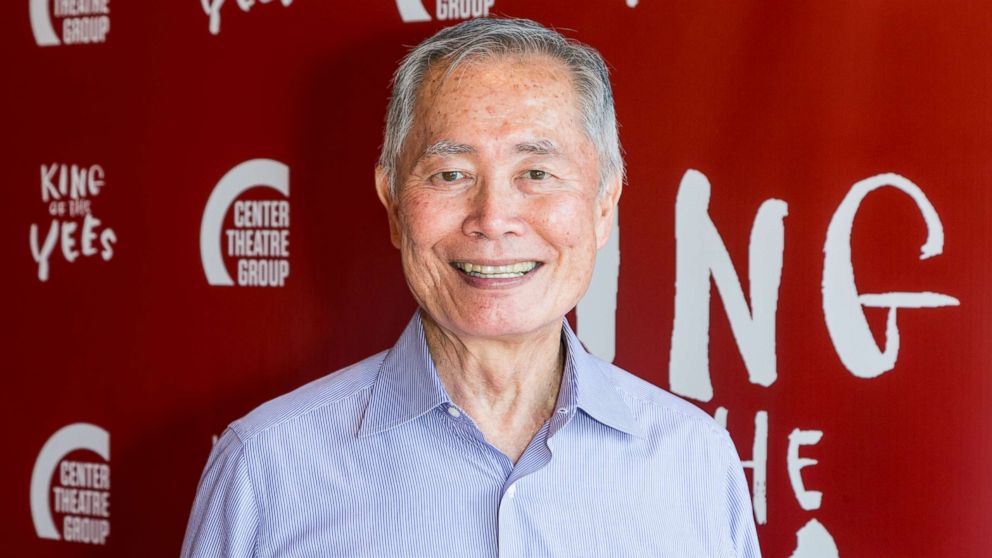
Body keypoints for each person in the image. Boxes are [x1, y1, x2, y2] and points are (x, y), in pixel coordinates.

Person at [181, 17, 761, 557]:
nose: (492, 217)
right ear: (394, 205)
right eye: (450, 174)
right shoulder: (266, 465)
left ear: (604, 205)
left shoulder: (696, 461)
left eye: (536, 174)